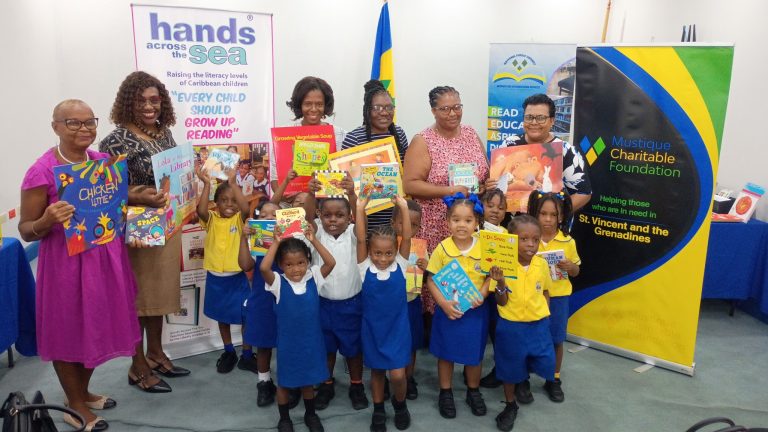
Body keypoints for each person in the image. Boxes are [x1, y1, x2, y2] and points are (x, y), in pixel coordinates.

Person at [19, 99, 142, 431]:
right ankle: (73, 404)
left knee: (99, 326)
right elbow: (26, 230)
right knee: (68, 330)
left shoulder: (102, 162)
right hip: (66, 265)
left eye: (89, 122)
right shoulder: (42, 171)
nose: (84, 128)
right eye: (73, 122)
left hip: (105, 259)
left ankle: (82, 391)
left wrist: (140, 204)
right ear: (56, 126)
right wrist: (46, 219)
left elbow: (115, 203)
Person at [100, 71, 189, 393]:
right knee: (139, 300)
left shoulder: (164, 132)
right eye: (141, 101)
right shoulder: (115, 141)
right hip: (138, 229)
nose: (149, 106)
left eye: (154, 100)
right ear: (128, 103)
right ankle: (137, 365)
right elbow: (106, 190)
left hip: (167, 223)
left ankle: (156, 353)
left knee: (160, 296)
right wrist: (138, 195)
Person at [403, 85, 491, 332]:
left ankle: (467, 326)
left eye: (457, 107)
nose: (453, 113)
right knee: (436, 278)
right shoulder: (423, 140)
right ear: (433, 111)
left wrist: (487, 185)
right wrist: (448, 191)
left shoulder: (471, 133)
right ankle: (435, 333)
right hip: (435, 226)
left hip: (468, 223)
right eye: (445, 109)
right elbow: (410, 184)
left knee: (468, 275)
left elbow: (483, 174)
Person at [424, 193, 493, 420]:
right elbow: (431, 279)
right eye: (456, 219)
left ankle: (473, 391)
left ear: (477, 222)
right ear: (447, 222)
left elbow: (490, 276)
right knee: (446, 354)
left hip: (476, 312)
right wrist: (443, 304)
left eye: (468, 220)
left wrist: (483, 293)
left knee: (474, 354)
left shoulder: (484, 247)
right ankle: (445, 392)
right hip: (449, 311)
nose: (461, 225)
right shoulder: (442, 248)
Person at [260, 230, 336, 432]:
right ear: (281, 265)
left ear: (308, 261)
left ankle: (310, 414)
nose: (296, 269)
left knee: (307, 381)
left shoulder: (314, 277)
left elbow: (330, 262)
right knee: (285, 383)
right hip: (288, 345)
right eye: (289, 264)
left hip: (311, 342)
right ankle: (284, 419)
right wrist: (276, 243)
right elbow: (264, 268)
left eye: (301, 263)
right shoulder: (278, 283)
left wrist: (313, 240)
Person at [304, 176, 369, 411]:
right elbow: (306, 219)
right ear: (319, 215)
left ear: (349, 216)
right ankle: (327, 383)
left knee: (353, 349)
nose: (333, 220)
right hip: (322, 304)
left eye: (340, 215)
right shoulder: (316, 233)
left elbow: (362, 224)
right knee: (326, 348)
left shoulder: (353, 233)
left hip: (352, 304)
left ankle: (356, 385)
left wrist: (352, 195)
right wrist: (311, 194)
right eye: (327, 215)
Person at [492, 214, 555, 431]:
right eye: (524, 239)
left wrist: (545, 314)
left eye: (535, 239)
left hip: (538, 325)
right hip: (511, 326)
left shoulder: (541, 264)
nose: (530, 244)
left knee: (545, 360)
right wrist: (500, 282)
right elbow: (501, 301)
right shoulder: (502, 266)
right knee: (509, 367)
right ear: (511, 240)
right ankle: (510, 404)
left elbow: (545, 291)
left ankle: (523, 380)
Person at [356, 196, 413, 432]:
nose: (382, 258)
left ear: (395, 251)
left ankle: (400, 405)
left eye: (388, 253)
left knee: (398, 375)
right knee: (377, 372)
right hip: (373, 330)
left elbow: (407, 237)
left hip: (397, 331)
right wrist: (360, 208)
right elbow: (361, 237)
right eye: (377, 253)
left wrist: (403, 207)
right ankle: (378, 409)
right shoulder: (364, 267)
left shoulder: (400, 265)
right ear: (369, 251)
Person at [196, 166, 253, 373]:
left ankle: (247, 354)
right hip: (215, 279)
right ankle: (229, 351)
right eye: (224, 200)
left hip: (236, 278)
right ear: (216, 203)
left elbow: (245, 209)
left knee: (246, 316)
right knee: (222, 317)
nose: (230, 204)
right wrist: (206, 184)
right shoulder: (211, 219)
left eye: (234, 200)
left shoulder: (239, 219)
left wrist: (233, 183)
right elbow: (201, 211)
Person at [524, 191, 580, 403]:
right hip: (531, 296)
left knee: (556, 339)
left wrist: (570, 267)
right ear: (535, 213)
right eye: (543, 213)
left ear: (561, 216)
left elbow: (576, 271)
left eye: (553, 214)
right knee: (528, 337)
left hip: (558, 298)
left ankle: (553, 378)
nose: (547, 219)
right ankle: (522, 379)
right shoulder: (529, 239)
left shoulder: (567, 241)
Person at [497, 93, 592, 212]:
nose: (534, 122)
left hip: (548, 222)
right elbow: (498, 182)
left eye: (541, 118)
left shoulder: (566, 151)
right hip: (511, 221)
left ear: (552, 120)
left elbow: (583, 193)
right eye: (529, 117)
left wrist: (556, 214)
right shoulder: (509, 143)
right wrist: (491, 184)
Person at [342, 79, 409, 229]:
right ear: (367, 110)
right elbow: (346, 181)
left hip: (395, 213)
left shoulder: (399, 134)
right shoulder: (354, 138)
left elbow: (407, 170)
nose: (384, 112)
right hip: (366, 215)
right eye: (377, 108)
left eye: (389, 107)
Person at [270, 76, 346, 201]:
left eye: (319, 104)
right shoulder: (283, 136)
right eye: (308, 104)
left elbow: (344, 177)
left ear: (326, 105)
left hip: (327, 205)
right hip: (291, 204)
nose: (314, 109)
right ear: (299, 104)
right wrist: (292, 197)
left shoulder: (339, 134)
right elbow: (274, 180)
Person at [391, 199, 426, 400]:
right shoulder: (385, 245)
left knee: (411, 343)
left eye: (414, 225)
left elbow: (426, 277)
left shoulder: (420, 247)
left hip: (411, 301)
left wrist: (425, 267)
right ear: (393, 223)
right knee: (390, 341)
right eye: (403, 223)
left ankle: (409, 377)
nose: (408, 228)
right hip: (390, 305)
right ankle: (388, 377)